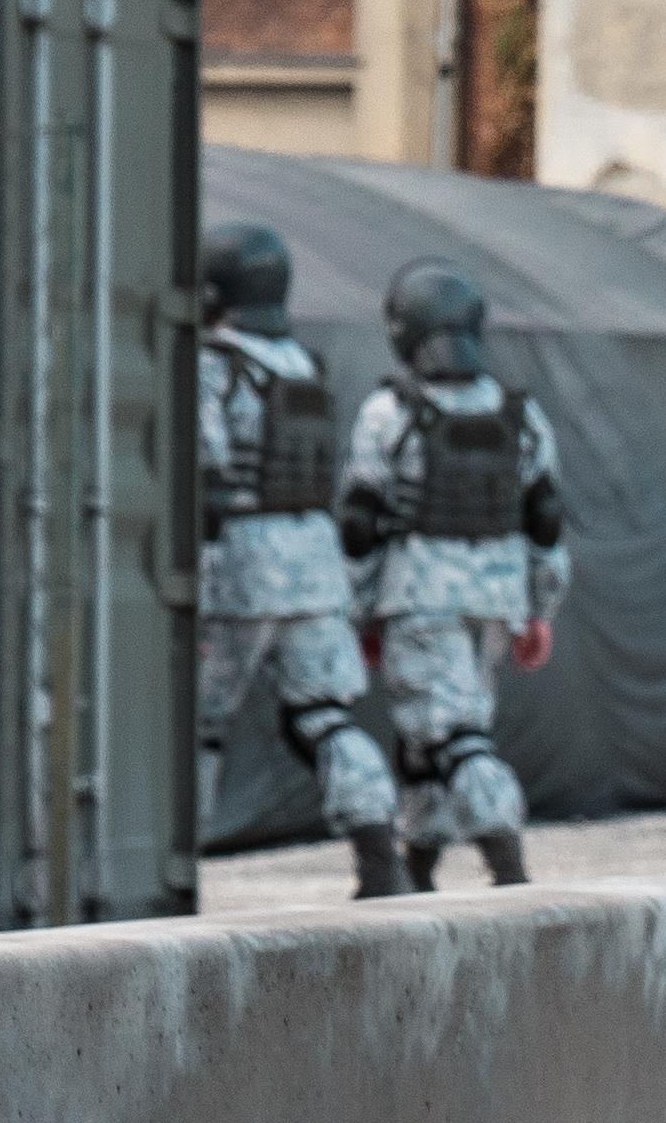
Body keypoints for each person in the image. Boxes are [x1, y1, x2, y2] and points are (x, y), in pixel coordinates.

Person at [340, 260, 568, 891]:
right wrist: (539, 611)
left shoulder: (390, 413)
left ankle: (508, 864)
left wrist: (360, 615)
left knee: (452, 736)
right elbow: (545, 523)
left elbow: (359, 525)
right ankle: (417, 867)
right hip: (495, 602)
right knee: (430, 739)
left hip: (420, 601)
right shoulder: (519, 416)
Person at [195, 222, 406, 893]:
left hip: (239, 567)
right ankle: (380, 858)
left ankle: (171, 870)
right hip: (315, 567)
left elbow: (202, 465)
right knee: (324, 716)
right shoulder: (303, 365)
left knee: (194, 725)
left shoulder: (212, 363)